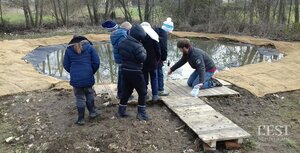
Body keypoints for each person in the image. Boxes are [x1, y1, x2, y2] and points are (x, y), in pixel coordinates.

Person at [63, 35, 100, 125]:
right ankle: (92, 113)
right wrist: (91, 71)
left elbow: (66, 65)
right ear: (84, 40)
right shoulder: (90, 48)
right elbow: (96, 62)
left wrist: (73, 72)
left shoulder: (68, 50)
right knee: (89, 93)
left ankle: (81, 119)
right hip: (88, 75)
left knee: (79, 97)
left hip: (76, 77)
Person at [116, 24, 150, 121]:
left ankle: (120, 112)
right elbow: (142, 58)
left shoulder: (122, 42)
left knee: (126, 91)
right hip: (135, 72)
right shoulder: (138, 46)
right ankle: (141, 114)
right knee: (143, 92)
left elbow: (120, 53)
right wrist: (144, 50)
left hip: (125, 70)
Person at [101, 20, 133, 100]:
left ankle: (120, 94)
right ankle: (123, 95)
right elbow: (124, 47)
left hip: (119, 59)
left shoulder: (116, 34)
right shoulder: (122, 35)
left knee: (121, 76)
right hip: (123, 59)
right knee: (123, 77)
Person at [140, 22, 161, 101]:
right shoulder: (154, 36)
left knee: (144, 79)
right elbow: (158, 50)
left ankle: (144, 95)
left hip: (142, 61)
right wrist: (157, 60)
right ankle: (155, 95)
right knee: (154, 78)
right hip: (152, 62)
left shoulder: (139, 37)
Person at [154, 17, 174, 96]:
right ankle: (160, 90)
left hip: (150, 56)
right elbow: (164, 48)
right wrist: (163, 59)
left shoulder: (156, 30)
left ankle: (154, 89)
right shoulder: (163, 34)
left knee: (153, 73)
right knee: (159, 73)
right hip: (158, 57)